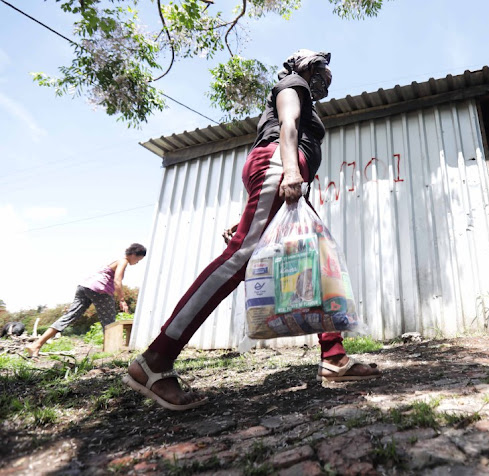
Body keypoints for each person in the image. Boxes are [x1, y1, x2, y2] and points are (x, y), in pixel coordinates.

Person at [123, 50, 381, 411]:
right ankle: (155, 360)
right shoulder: (293, 85)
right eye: (322, 70)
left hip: (280, 170)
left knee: (317, 259)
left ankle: (334, 356)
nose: (327, 78)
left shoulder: (301, 90)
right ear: (305, 67)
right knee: (239, 259)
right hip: (282, 166)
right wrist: (292, 171)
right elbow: (288, 126)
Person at [25, 243, 147, 357]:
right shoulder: (123, 261)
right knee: (109, 322)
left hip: (84, 287)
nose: (137, 263)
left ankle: (36, 345)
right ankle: (111, 352)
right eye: (138, 260)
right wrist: (122, 300)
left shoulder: (115, 261)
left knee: (69, 316)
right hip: (100, 291)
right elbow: (117, 281)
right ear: (133, 255)